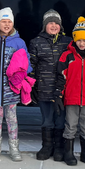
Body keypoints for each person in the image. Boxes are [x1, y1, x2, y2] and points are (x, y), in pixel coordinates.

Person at [55, 16, 85, 166]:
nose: (82, 43)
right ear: (75, 39)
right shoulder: (67, 55)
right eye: (79, 40)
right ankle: (68, 152)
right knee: (70, 125)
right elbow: (61, 76)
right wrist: (58, 94)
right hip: (71, 97)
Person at [0, 7, 30, 161]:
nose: (7, 24)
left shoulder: (19, 42)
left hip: (12, 89)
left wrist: (21, 74)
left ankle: (14, 148)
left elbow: (27, 63)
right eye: (4, 21)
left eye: (9, 21)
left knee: (12, 118)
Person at [30, 9, 71, 161]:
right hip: (44, 87)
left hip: (62, 89)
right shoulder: (36, 42)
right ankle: (47, 146)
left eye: (56, 23)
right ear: (44, 26)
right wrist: (32, 85)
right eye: (50, 23)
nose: (53, 26)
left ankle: (59, 146)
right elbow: (32, 65)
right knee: (47, 119)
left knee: (60, 119)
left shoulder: (68, 42)